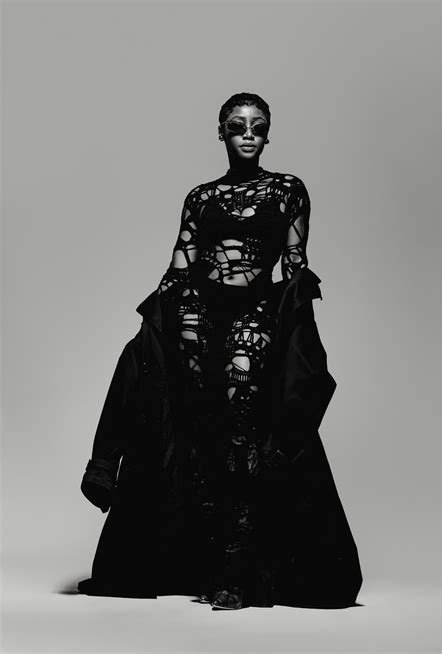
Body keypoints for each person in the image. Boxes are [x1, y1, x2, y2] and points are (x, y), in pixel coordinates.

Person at [78, 92, 363, 610]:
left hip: (254, 311)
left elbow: (294, 261)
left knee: (242, 428)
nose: (248, 133)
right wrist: (153, 325)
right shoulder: (201, 196)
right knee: (189, 415)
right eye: (236, 125)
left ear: (268, 134)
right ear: (221, 133)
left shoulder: (287, 189)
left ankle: (238, 569)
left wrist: (297, 324)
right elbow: (180, 263)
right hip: (196, 312)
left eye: (257, 126)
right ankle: (184, 543)